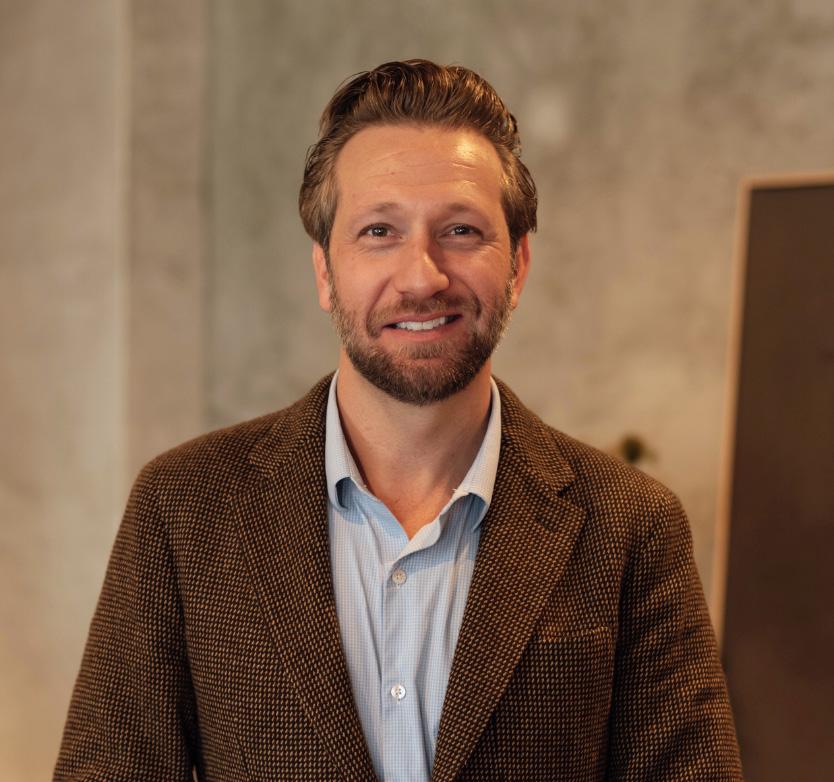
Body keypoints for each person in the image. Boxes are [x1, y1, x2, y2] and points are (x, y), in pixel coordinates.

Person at [55, 60, 743, 781]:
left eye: (462, 230)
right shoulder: (184, 507)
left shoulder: (630, 526)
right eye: (379, 230)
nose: (422, 276)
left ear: (518, 265)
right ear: (325, 272)